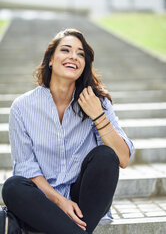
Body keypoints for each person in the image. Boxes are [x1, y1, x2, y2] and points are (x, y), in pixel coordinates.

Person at [2, 28, 134, 234]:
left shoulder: (97, 103)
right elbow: (27, 168)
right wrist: (60, 201)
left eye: (81, 53)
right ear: (51, 60)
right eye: (66, 50)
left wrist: (98, 116)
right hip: (43, 200)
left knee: (106, 156)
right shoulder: (22, 107)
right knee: (12, 186)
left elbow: (123, 159)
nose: (74, 56)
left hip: (85, 203)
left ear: (84, 64)